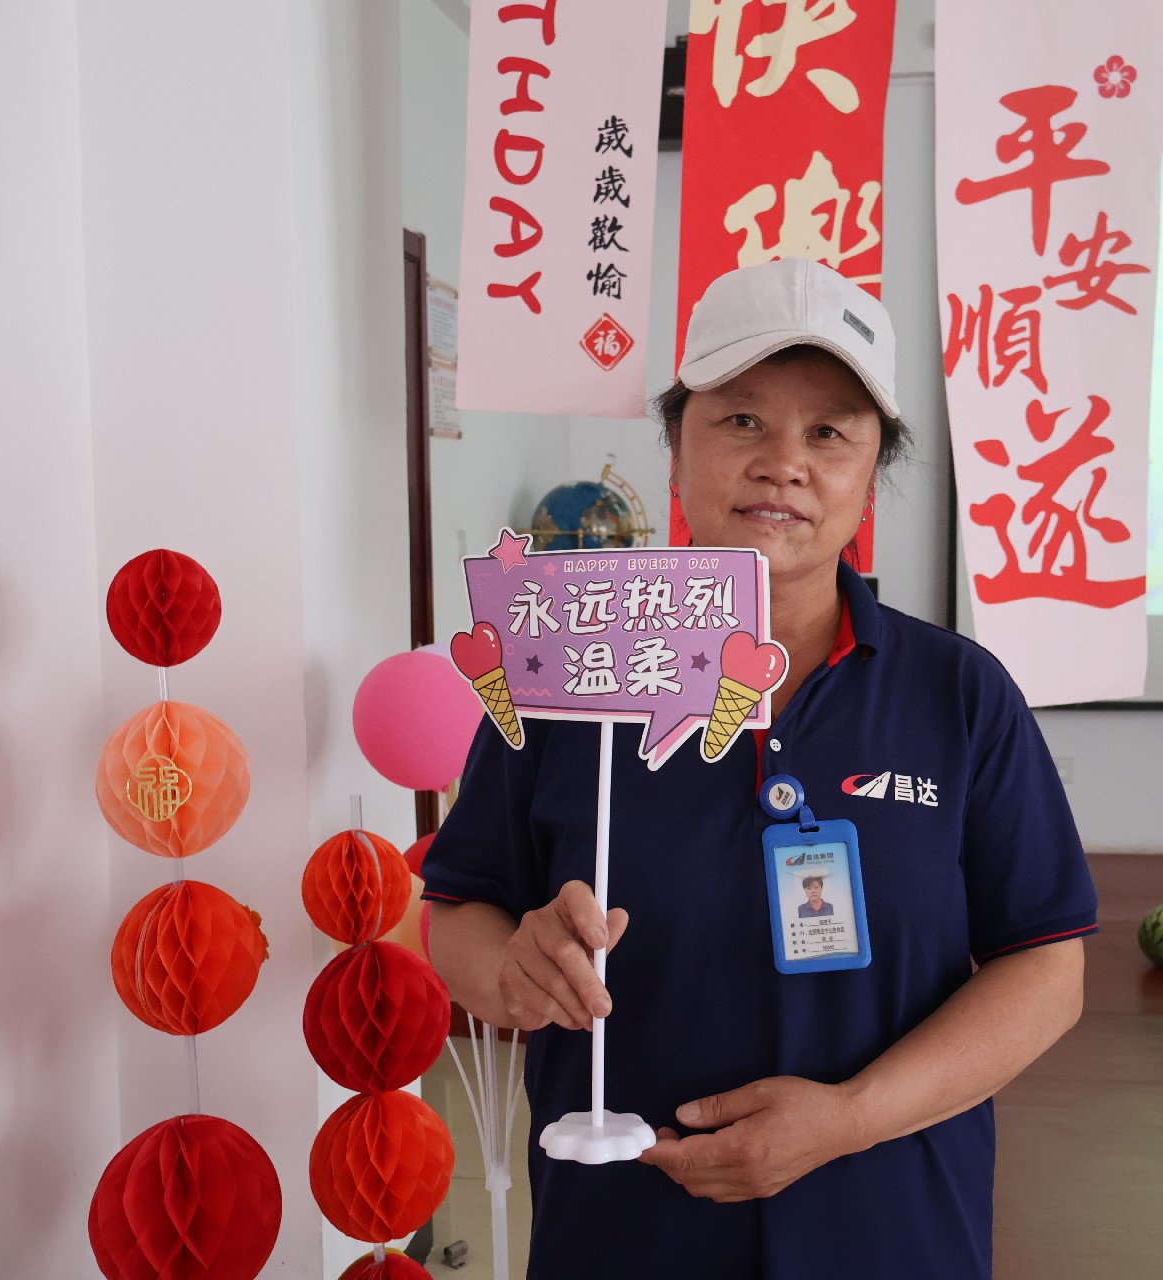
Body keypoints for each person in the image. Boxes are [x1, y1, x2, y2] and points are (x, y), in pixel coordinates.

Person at [423, 256, 1096, 1280]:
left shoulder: (959, 695)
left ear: (872, 472)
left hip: (891, 1229)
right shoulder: (567, 680)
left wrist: (849, 1117)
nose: (784, 462)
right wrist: (509, 972)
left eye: (829, 432)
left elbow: (1045, 970)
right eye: (742, 419)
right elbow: (460, 909)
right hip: (624, 1229)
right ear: (676, 447)